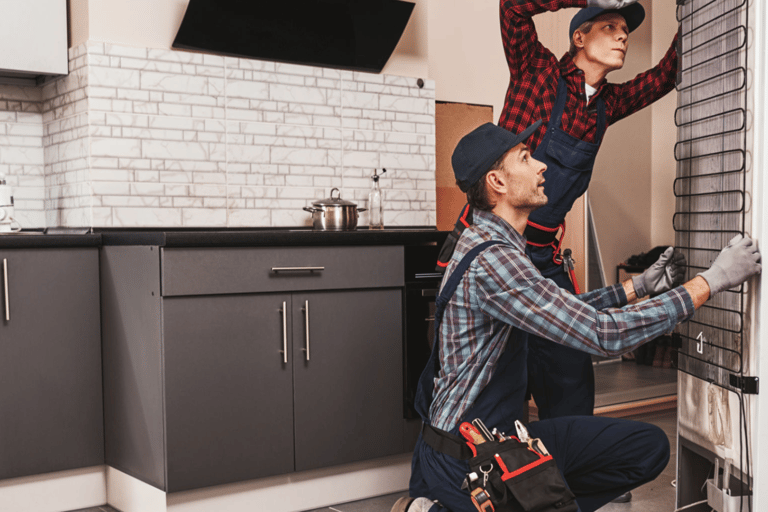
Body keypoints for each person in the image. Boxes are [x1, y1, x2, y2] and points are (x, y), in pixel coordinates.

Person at [393, 122, 761, 512]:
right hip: (464, 461)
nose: (541, 166)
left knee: (646, 448)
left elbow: (564, 310)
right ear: (497, 182)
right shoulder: (493, 260)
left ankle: (540, 499)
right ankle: (431, 509)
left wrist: (639, 286)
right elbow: (604, 335)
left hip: (504, 439)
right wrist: (713, 280)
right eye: (525, 158)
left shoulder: (494, 244)